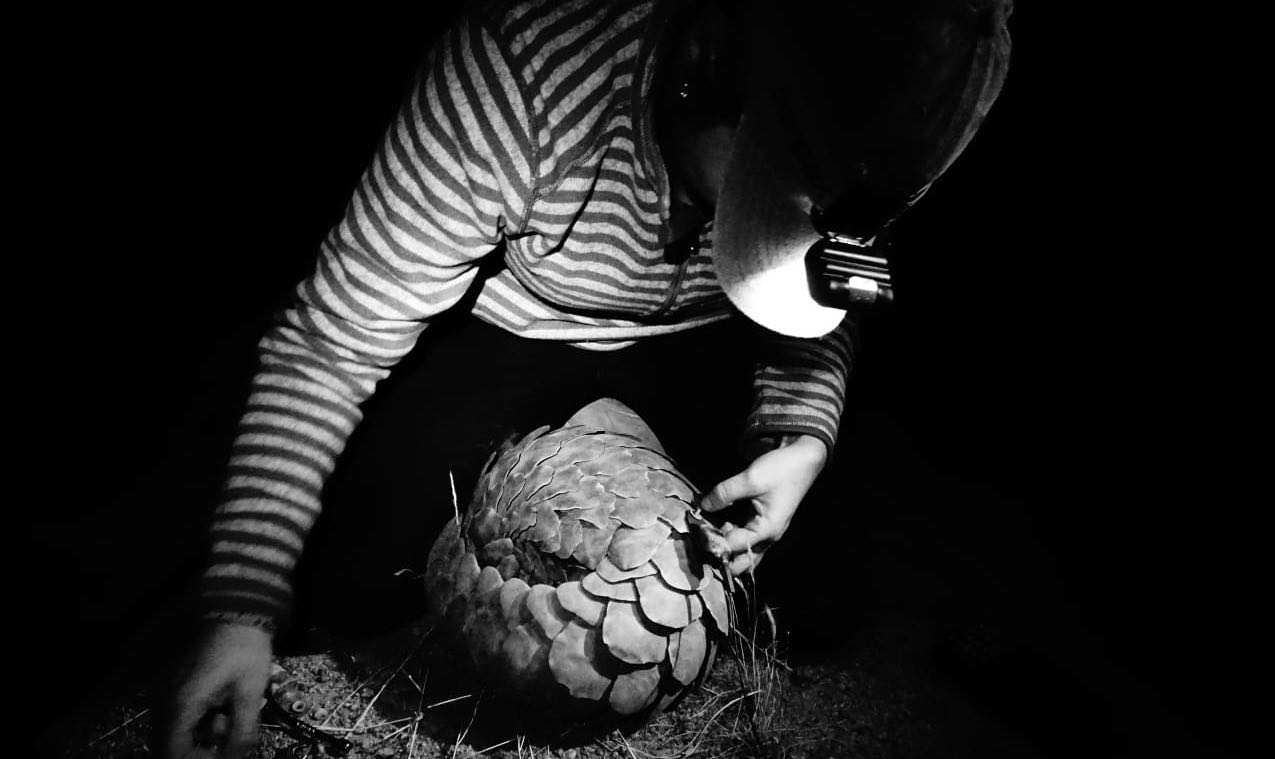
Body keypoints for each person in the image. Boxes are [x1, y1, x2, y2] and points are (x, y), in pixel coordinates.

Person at [161, 0, 1012, 756]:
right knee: (354, 589)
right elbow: (333, 338)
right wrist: (238, 604)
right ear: (704, 62)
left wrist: (796, 435)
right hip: (519, 327)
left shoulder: (893, 108)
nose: (760, 230)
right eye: (767, 205)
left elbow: (818, 312)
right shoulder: (520, 69)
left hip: (706, 343)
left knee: (817, 602)